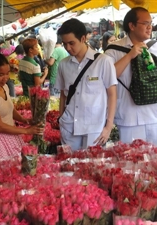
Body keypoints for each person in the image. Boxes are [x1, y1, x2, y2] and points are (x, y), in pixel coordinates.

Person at [105, 7, 157, 148]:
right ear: (131, 26)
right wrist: (130, 56)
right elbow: (107, 79)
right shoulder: (113, 50)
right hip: (130, 120)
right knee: (133, 164)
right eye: (145, 23)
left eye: (151, 23)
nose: (150, 27)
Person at [55, 18, 117, 151]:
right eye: (65, 44)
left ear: (83, 38)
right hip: (69, 127)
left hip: (95, 129)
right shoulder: (63, 64)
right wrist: (61, 120)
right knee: (68, 167)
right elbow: (63, 95)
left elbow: (112, 94)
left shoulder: (103, 62)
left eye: (71, 43)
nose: (68, 48)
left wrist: (108, 127)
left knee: (92, 168)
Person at [0, 53, 44, 163]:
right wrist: (26, 131)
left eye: (7, 73)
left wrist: (25, 120)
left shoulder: (5, 87)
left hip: (10, 134)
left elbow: (10, 109)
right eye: (0, 74)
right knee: (1, 172)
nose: (5, 78)